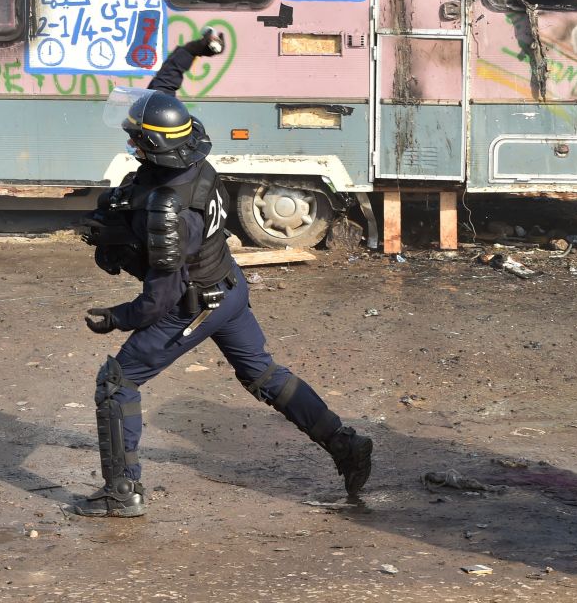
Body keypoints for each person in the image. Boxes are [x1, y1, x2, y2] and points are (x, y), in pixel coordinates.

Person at [73, 31, 373, 518]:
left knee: (117, 382)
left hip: (191, 305)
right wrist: (187, 53)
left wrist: (117, 318)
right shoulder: (189, 155)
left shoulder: (168, 210)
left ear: (150, 147)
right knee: (262, 373)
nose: (128, 141)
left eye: (134, 139)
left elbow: (161, 299)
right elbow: (162, 95)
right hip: (228, 287)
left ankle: (121, 493)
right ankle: (347, 445)